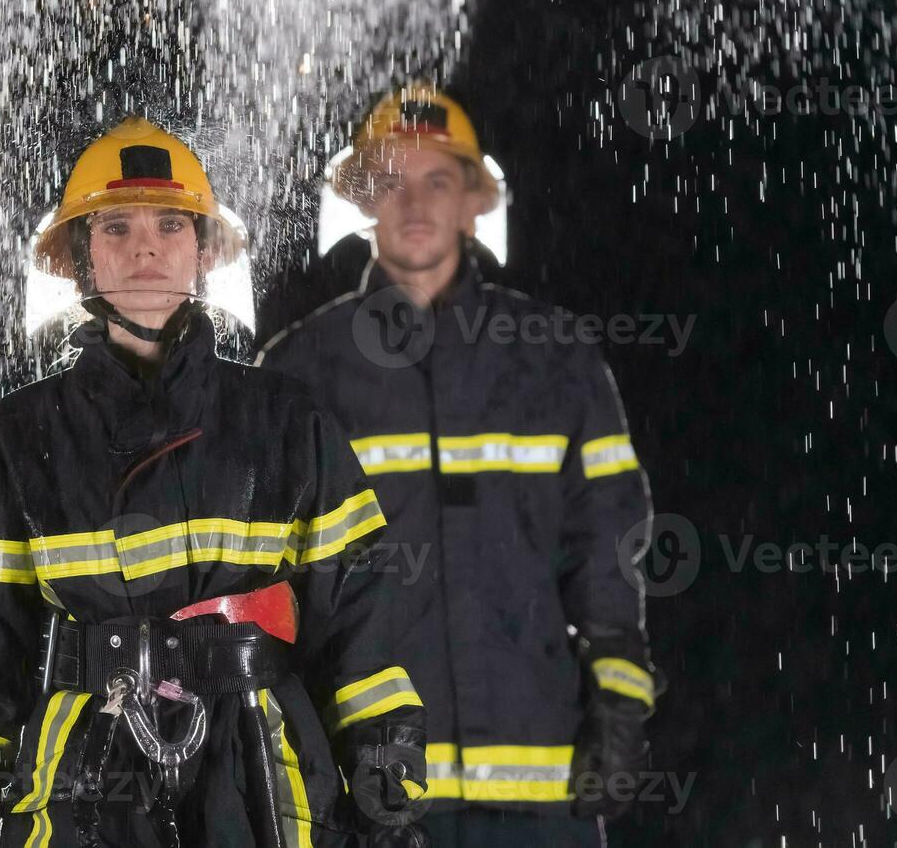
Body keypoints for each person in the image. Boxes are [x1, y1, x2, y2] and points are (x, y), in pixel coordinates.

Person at [0, 116, 427, 848]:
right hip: (85, 784)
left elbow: (359, 623)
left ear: (202, 253)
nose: (145, 246)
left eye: (171, 225)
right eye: (114, 228)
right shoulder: (19, 438)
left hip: (261, 776)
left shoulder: (286, 421)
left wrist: (382, 773)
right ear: (83, 260)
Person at [256, 84, 655, 847]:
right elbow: (271, 579)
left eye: (437, 180)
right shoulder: (299, 375)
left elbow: (609, 548)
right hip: (376, 788)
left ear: (474, 202)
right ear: (364, 202)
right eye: (392, 181)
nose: (414, 203)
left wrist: (621, 696)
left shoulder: (557, 359)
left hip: (543, 785)